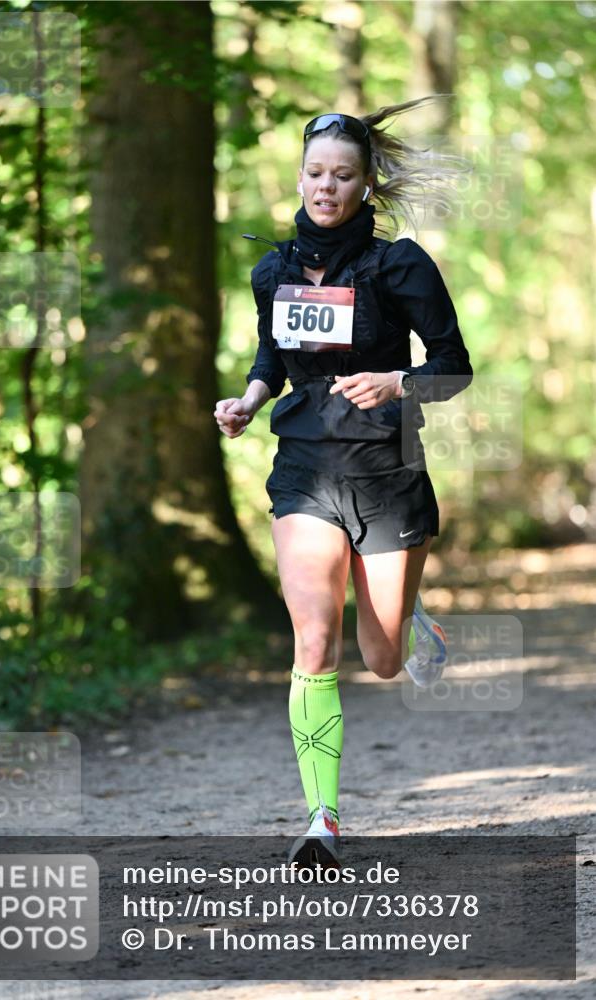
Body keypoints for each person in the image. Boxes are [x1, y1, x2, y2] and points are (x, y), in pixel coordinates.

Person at [213, 101, 473, 867]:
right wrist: (250, 398)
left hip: (387, 470)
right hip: (305, 469)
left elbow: (453, 368)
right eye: (315, 173)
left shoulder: (399, 266)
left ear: (366, 184)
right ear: (299, 176)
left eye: (343, 175)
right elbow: (272, 352)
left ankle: (408, 617)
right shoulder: (274, 269)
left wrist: (398, 381)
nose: (325, 188)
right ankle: (321, 819)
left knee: (382, 659)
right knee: (313, 640)